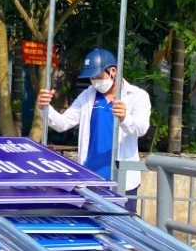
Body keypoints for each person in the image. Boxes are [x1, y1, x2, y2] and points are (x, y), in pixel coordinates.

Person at [37, 47, 151, 211]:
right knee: (93, 228)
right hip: (91, 178)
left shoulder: (137, 96)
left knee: (124, 230)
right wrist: (44, 107)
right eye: (92, 77)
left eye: (98, 77)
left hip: (122, 181)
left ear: (113, 71)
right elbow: (62, 123)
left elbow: (141, 129)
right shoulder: (87, 96)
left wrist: (125, 118)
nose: (95, 81)